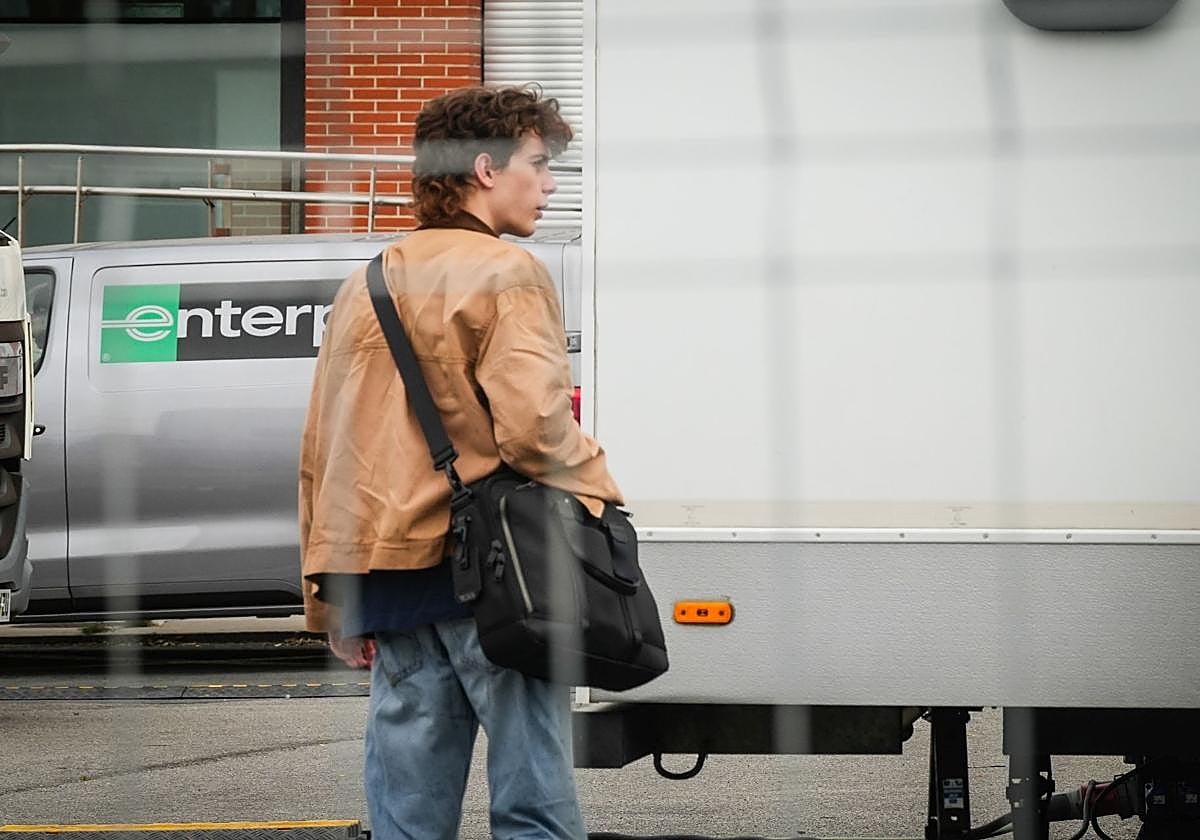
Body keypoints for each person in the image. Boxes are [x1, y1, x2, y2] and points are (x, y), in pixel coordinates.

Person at [298, 85, 622, 840]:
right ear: (485, 168)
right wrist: (606, 497)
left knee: (406, 813)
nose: (548, 185)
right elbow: (536, 429)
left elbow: (323, 450)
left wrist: (331, 597)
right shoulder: (507, 273)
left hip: (389, 585)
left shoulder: (367, 281)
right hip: (497, 584)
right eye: (538, 165)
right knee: (532, 802)